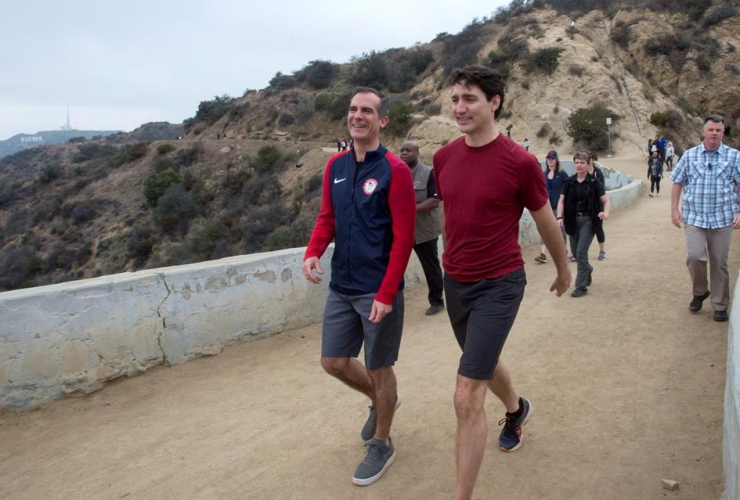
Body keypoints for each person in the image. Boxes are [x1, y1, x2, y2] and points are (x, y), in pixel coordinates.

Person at [433, 65, 571, 500]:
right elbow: (454, 213)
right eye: (456, 99)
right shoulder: (444, 157)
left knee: (465, 394)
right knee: (484, 362)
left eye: (469, 99)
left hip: (500, 282)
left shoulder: (520, 161)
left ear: (494, 103)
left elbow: (545, 218)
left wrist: (563, 267)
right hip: (455, 281)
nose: (460, 107)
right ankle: (517, 409)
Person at [302, 87, 416, 485]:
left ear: (382, 120)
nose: (357, 116)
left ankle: (382, 442)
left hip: (377, 289)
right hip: (342, 285)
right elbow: (326, 218)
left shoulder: (395, 171)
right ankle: (381, 402)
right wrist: (313, 251)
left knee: (379, 366)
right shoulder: (335, 166)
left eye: (367, 110)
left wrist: (386, 293)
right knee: (332, 362)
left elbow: (404, 238)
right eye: (353, 109)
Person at [670, 114, 740, 322]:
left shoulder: (734, 156)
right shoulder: (690, 156)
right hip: (694, 217)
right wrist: (674, 210)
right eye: (711, 130)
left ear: (722, 132)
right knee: (695, 257)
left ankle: (720, 305)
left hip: (722, 218)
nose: (715, 133)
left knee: (719, 262)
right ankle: (700, 291)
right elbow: (677, 182)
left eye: (718, 130)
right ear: (703, 131)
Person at [399, 140, 445, 315]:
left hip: (424, 231)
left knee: (431, 266)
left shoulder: (429, 173)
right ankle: (393, 303)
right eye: (402, 150)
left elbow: (434, 201)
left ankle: (437, 301)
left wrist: (408, 210)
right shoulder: (393, 172)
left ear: (417, 152)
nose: (404, 153)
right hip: (400, 230)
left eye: (408, 150)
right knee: (393, 267)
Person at [557, 151, 612, 298]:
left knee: (581, 252)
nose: (579, 165)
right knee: (575, 253)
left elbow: (606, 200)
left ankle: (581, 286)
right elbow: (561, 201)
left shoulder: (595, 183)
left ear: (588, 165)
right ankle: (587, 269)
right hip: (571, 221)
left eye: (582, 163)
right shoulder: (569, 182)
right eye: (577, 162)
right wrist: (558, 217)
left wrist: (605, 212)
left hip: (589, 220)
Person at [535, 150, 570, 264]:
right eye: (549, 158)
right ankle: (543, 254)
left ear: (556, 160)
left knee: (561, 231)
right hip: (547, 209)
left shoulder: (562, 174)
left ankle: (563, 251)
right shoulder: (543, 174)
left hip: (559, 208)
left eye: (552, 158)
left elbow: (569, 189)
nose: (550, 160)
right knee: (544, 230)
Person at [587, 151, 608, 261]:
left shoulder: (598, 172)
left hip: (597, 205)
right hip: (585, 205)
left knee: (598, 228)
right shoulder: (583, 171)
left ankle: (602, 251)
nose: (590, 161)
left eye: (591, 158)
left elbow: (602, 189)